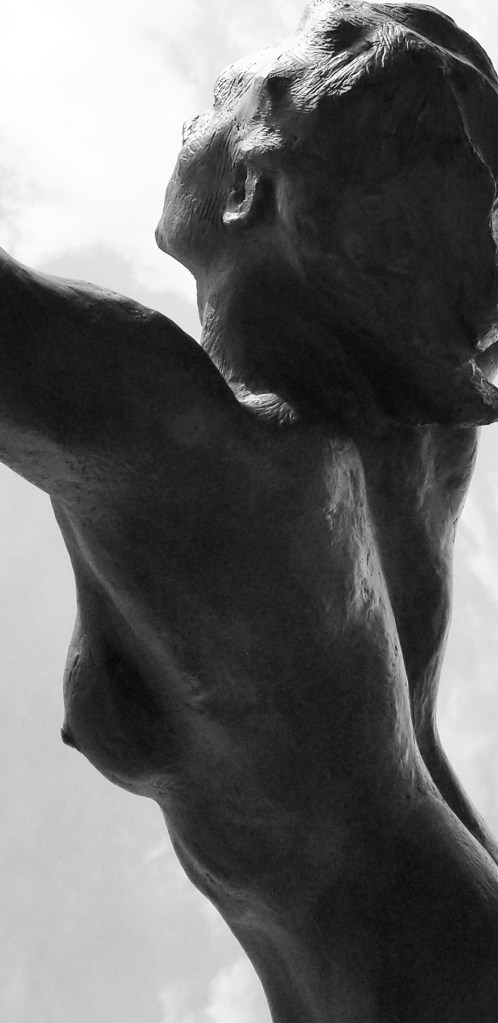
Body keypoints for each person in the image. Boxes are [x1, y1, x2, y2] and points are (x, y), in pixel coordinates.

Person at [2, 0, 498, 1017]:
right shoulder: (410, 449)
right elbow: (420, 779)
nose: (194, 112)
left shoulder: (179, 442)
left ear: (245, 188)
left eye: (223, 96)